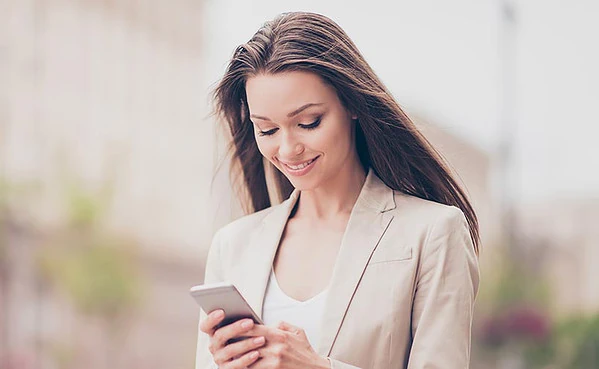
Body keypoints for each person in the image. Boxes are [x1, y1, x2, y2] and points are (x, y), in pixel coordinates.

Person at [196, 11, 480, 369]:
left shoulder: (433, 233)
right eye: (267, 130)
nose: (287, 149)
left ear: (351, 105)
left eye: (308, 122)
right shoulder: (232, 245)